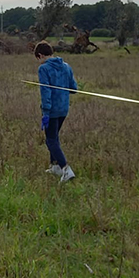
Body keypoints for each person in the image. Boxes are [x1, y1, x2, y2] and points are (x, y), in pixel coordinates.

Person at [34, 41, 77, 182]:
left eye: (38, 59)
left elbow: (45, 91)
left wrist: (46, 112)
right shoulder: (66, 66)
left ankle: (66, 169)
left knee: (50, 140)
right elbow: (74, 88)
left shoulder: (43, 69)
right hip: (64, 109)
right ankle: (55, 166)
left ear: (40, 55)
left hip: (52, 110)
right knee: (54, 136)